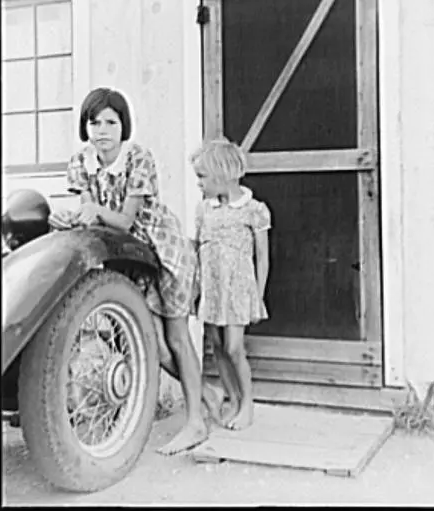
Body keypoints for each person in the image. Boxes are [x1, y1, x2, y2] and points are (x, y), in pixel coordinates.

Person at [49, 87, 221, 455]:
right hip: (129, 257)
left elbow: (125, 219)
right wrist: (68, 218)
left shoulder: (139, 158)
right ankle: (206, 393)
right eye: (94, 123)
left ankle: (195, 424)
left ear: (123, 125)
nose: (102, 130)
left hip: (164, 251)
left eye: (111, 122)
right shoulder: (81, 163)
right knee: (152, 345)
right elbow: (89, 212)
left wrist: (92, 211)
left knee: (176, 337)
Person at [190, 137, 271, 430]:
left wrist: (258, 296)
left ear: (223, 175)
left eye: (202, 177)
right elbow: (197, 249)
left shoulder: (254, 210)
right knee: (216, 345)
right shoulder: (204, 210)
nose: (199, 183)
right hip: (212, 287)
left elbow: (262, 257)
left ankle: (248, 403)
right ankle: (233, 399)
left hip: (237, 288)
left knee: (235, 346)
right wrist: (195, 290)